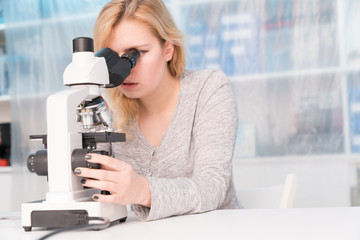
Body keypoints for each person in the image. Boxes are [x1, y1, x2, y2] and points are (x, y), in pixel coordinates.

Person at [74, 0, 240, 221]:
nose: (124, 71)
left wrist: (143, 191)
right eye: (113, 57)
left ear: (168, 49)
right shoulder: (106, 108)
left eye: (136, 54)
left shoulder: (208, 89)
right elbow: (91, 186)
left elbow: (213, 187)